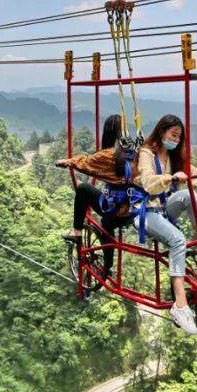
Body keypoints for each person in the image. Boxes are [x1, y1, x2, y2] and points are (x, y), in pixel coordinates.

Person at [134, 114, 197, 334]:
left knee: (190, 194)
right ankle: (179, 306)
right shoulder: (146, 154)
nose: (176, 140)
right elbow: (149, 183)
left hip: (163, 208)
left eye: (179, 137)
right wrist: (169, 178)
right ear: (162, 132)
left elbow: (194, 175)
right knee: (178, 240)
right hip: (145, 211)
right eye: (174, 135)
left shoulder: (172, 156)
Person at [58, 115, 137, 277]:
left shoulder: (108, 155)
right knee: (107, 225)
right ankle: (107, 268)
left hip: (115, 211)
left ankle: (77, 233)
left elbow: (86, 163)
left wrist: (67, 161)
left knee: (83, 189)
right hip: (133, 211)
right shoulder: (134, 152)